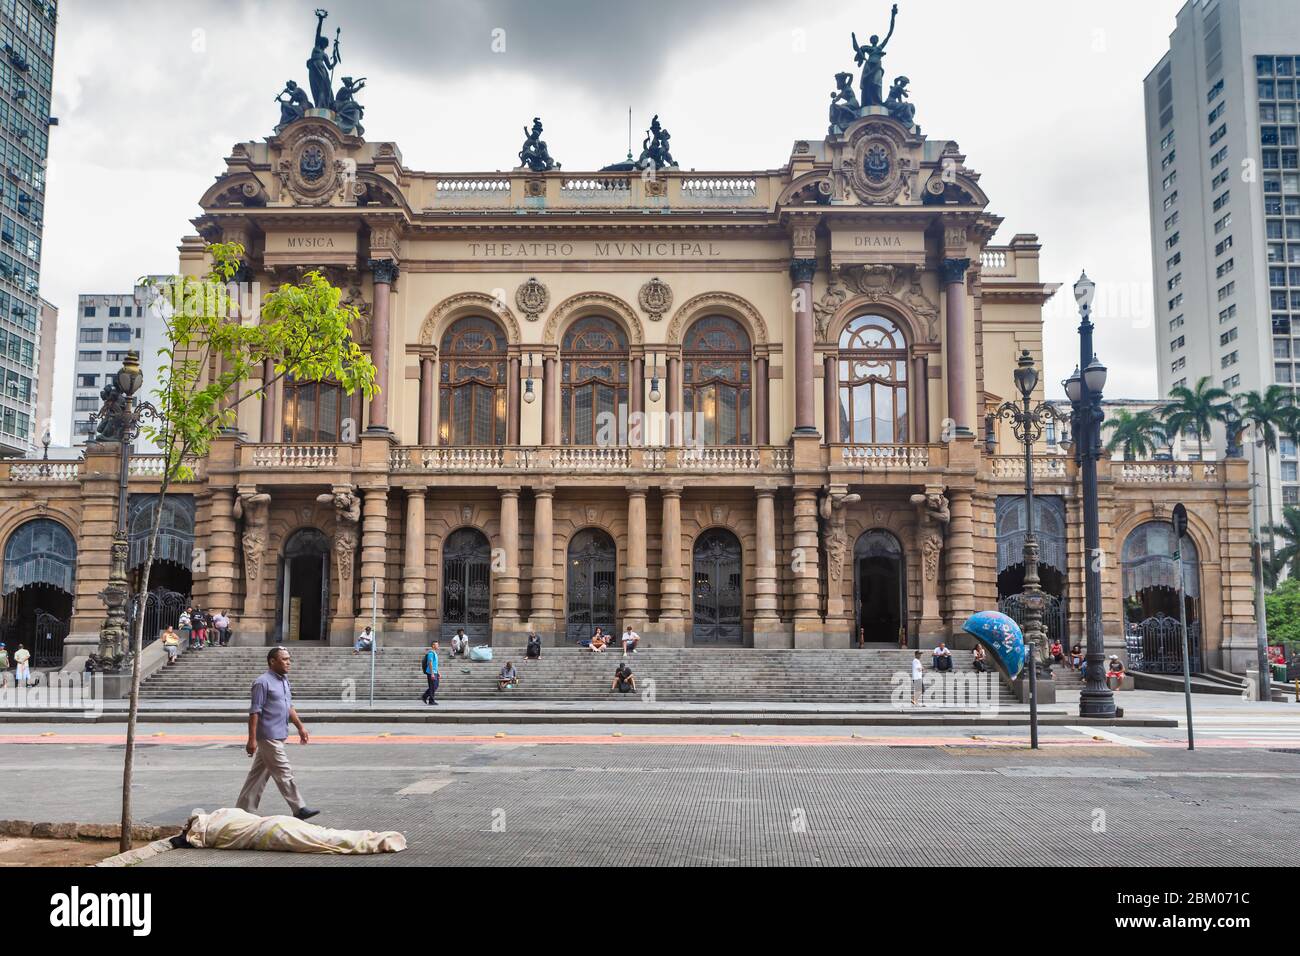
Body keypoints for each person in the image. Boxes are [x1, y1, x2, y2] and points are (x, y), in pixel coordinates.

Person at [236, 647, 318, 820]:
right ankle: (299, 807)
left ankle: (243, 810)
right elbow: (254, 712)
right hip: (267, 735)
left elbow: (288, 706)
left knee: (258, 775)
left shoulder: (284, 680)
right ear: (272, 661)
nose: (288, 662)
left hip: (280, 734)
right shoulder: (262, 682)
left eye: (289, 659)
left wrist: (300, 727)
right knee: (283, 770)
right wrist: (251, 740)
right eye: (284, 659)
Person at [421, 641, 440, 706]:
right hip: (431, 672)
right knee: (432, 687)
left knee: (435, 686)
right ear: (433, 646)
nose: (438, 646)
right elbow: (430, 663)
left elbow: (436, 664)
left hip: (435, 672)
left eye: (438, 645)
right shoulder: (431, 653)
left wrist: (438, 672)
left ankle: (425, 696)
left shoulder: (435, 653)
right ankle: (431, 700)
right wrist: (432, 673)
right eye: (437, 645)